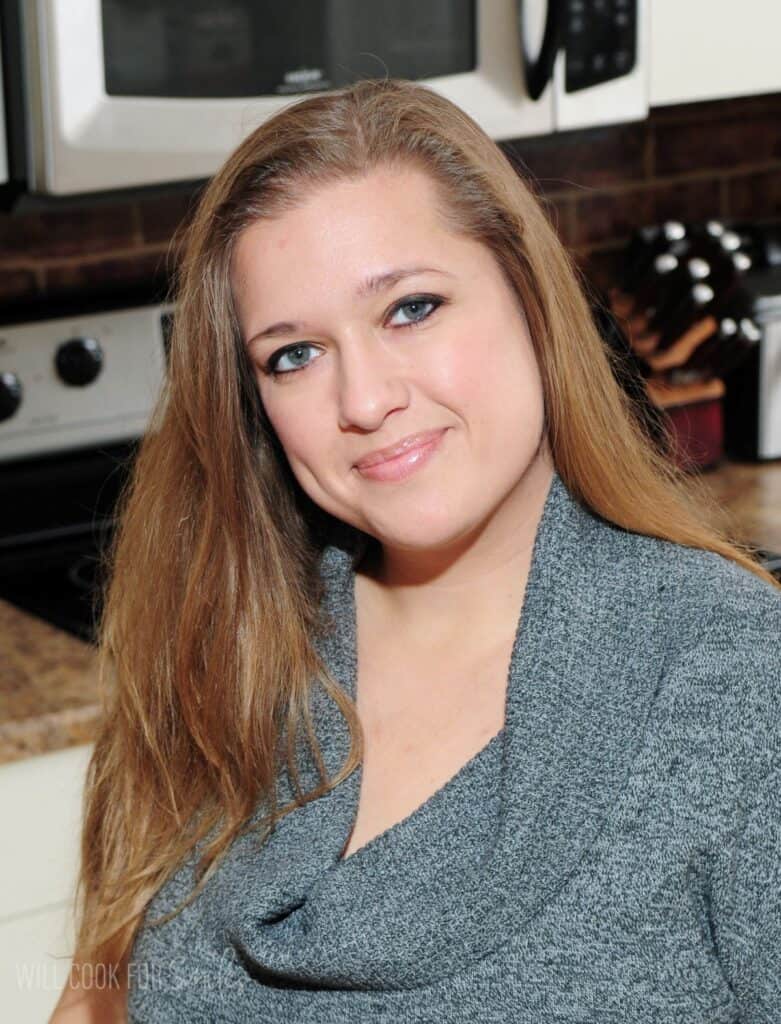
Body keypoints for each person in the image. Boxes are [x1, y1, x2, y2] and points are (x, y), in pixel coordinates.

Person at [51, 78, 780, 1023]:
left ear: (529, 296)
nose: (361, 398)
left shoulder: (731, 675)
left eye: (410, 309)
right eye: (294, 354)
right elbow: (95, 998)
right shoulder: (221, 650)